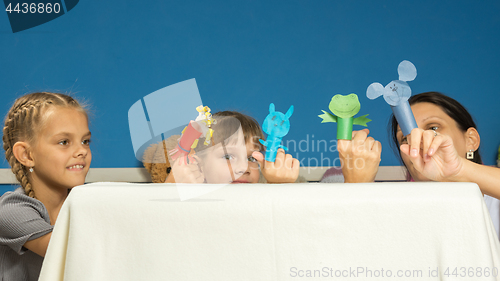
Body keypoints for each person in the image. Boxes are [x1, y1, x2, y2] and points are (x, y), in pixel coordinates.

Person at [0, 92, 91, 281]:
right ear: (26, 155)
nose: (82, 150)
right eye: (64, 142)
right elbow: (75, 255)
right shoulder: (11, 211)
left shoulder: (88, 204)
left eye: (85, 141)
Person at [165, 111, 300, 184]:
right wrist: (171, 187)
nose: (244, 168)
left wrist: (280, 187)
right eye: (228, 156)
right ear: (199, 166)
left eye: (251, 159)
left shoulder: (261, 197)